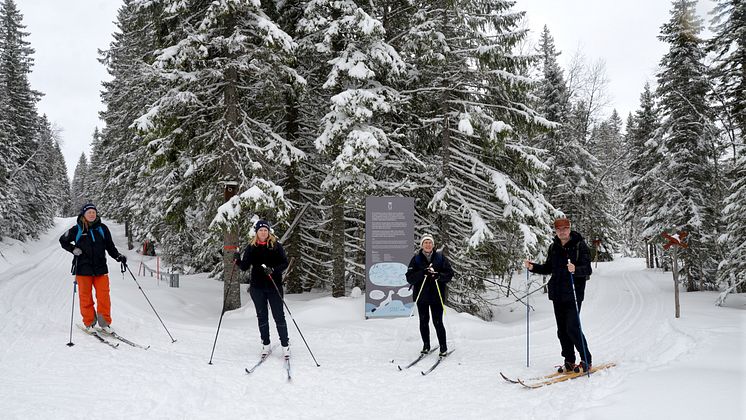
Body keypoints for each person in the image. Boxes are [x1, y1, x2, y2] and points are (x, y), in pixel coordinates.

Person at [524, 217, 593, 373]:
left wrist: (575, 269)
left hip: (574, 294)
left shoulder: (579, 246)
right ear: (555, 231)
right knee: (562, 331)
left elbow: (587, 269)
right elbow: (549, 268)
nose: (562, 232)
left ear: (569, 229)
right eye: (559, 229)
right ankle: (569, 360)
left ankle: (586, 360)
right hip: (557, 294)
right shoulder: (553, 247)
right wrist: (533, 267)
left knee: (573, 328)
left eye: (565, 228)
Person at [59, 203, 127, 334]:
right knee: (85, 297)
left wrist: (118, 256)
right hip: (82, 269)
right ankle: (89, 323)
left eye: (93, 212)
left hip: (101, 269)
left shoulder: (102, 228)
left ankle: (105, 323)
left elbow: (110, 247)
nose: (91, 214)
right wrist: (73, 249)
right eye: (89, 212)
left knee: (104, 297)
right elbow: (63, 240)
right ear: (84, 214)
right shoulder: (77, 229)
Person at [235, 220, 290, 359]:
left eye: (265, 230)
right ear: (257, 232)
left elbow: (285, 263)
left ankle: (285, 345)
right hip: (257, 288)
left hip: (274, 286)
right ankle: (266, 345)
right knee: (262, 316)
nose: (263, 232)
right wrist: (237, 260)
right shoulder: (251, 247)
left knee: (279, 316)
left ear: (268, 231)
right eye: (261, 230)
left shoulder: (276, 246)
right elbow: (244, 267)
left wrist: (274, 270)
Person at [406, 234, 454, 357]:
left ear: (433, 245)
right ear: (422, 245)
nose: (428, 245)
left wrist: (438, 276)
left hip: (436, 296)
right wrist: (422, 273)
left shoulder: (440, 258)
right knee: (423, 321)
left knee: (437, 322)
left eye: (430, 243)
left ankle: (443, 347)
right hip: (421, 297)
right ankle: (426, 345)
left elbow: (449, 274)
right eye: (425, 243)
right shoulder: (416, 259)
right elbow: (410, 278)